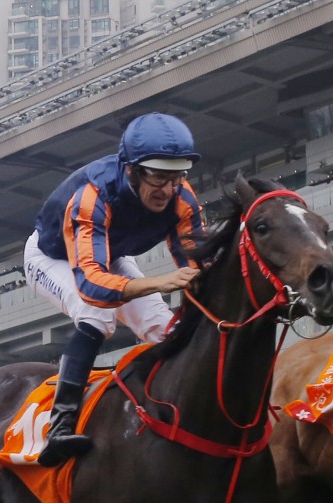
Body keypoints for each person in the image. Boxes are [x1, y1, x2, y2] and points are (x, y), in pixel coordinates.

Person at [25, 112, 203, 465]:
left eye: (176, 177)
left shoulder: (183, 197)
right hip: (52, 257)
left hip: (110, 253)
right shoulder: (93, 196)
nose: (168, 190)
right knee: (96, 314)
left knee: (164, 328)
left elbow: (199, 264)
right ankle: (60, 426)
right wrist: (159, 282)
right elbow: (92, 285)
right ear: (132, 170)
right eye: (158, 177)